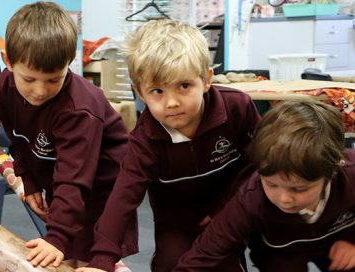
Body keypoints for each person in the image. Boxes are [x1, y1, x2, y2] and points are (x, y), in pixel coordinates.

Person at [78, 19, 261, 272]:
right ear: (140, 93)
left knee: (221, 262)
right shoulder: (144, 140)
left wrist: (225, 208)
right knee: (172, 263)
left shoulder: (237, 108)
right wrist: (101, 260)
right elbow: (122, 198)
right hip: (174, 219)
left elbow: (260, 161)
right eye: (157, 91)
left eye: (184, 86)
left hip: (228, 207)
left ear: (206, 80)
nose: (172, 102)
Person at [0, 2, 137, 269]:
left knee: (89, 262)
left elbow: (74, 179)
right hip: (63, 183)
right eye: (30, 79)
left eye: (52, 80)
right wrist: (29, 178)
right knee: (63, 259)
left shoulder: (78, 109)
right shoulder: (5, 87)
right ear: (8, 61)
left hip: (102, 190)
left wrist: (56, 237)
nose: (39, 91)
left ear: (69, 65)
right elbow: (18, 138)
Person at [175, 101, 355, 271]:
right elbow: (207, 251)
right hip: (279, 252)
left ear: (333, 171)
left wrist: (352, 241)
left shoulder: (351, 174)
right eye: (271, 184)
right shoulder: (251, 197)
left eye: (299, 188)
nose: (284, 199)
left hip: (337, 241)